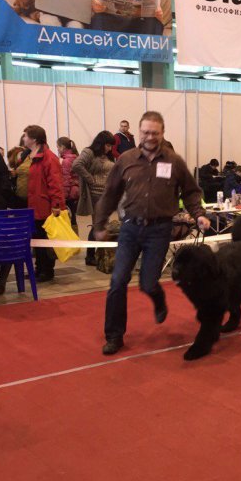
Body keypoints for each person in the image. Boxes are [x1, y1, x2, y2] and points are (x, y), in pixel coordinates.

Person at [93, 111, 210, 355]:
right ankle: (114, 336)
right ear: (139, 131)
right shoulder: (125, 160)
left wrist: (198, 213)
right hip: (130, 228)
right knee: (117, 282)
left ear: (162, 132)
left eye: (154, 133)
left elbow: (190, 191)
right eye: (145, 132)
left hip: (159, 229)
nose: (149, 137)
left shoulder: (174, 161)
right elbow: (111, 193)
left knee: (147, 283)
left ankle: (157, 297)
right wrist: (100, 223)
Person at [20, 125, 64, 282]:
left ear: (34, 139)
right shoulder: (29, 155)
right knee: (37, 238)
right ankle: (39, 268)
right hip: (33, 205)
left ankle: (47, 271)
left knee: (45, 239)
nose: (23, 138)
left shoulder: (49, 157)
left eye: (25, 136)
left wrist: (56, 205)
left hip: (44, 205)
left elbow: (56, 183)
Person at [72, 131, 116, 265]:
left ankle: (97, 255)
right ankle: (90, 256)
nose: (109, 148)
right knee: (98, 224)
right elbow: (76, 165)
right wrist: (90, 179)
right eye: (107, 145)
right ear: (101, 143)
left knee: (101, 224)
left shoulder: (107, 155)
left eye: (110, 146)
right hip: (95, 194)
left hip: (106, 194)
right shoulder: (89, 152)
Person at [57, 137, 80, 221]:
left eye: (58, 147)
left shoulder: (66, 161)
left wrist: (64, 196)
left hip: (70, 193)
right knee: (73, 216)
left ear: (62, 147)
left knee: (69, 219)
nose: (58, 150)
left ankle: (72, 233)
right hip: (76, 190)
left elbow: (66, 180)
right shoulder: (76, 157)